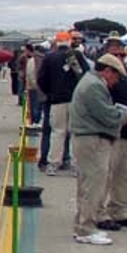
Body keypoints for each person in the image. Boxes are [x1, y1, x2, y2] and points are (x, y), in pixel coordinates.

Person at [67, 54, 127, 244]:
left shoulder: (89, 82)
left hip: (87, 140)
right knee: (93, 186)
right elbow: (106, 114)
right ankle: (86, 229)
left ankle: (82, 226)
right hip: (93, 141)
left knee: (86, 185)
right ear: (107, 71)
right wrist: (125, 116)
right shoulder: (94, 86)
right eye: (115, 76)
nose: (116, 81)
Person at [99, 49, 127, 231]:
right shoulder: (106, 82)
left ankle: (119, 210)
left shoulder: (124, 79)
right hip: (115, 134)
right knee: (106, 176)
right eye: (117, 55)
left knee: (124, 176)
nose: (121, 58)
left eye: (122, 55)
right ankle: (99, 212)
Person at [37, 35, 88, 174]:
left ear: (56, 42)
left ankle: (53, 163)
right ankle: (75, 165)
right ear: (69, 41)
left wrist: (50, 92)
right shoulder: (76, 55)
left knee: (58, 132)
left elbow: (41, 79)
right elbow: (87, 75)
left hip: (56, 100)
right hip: (76, 99)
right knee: (76, 132)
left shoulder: (49, 57)